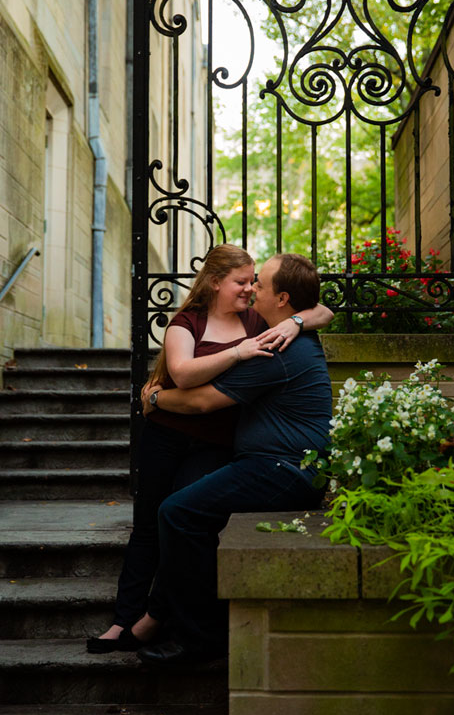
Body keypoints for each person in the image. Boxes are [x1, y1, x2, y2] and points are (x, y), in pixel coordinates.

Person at [87, 244, 333, 653]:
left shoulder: (267, 333)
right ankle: (129, 620)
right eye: (243, 280)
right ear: (216, 282)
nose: (252, 288)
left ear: (282, 298)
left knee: (179, 516)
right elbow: (182, 374)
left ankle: (181, 630)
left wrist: (154, 399)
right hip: (174, 437)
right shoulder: (191, 322)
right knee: (153, 523)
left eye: (258, 281)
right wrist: (285, 325)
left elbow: (320, 311)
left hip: (235, 451)